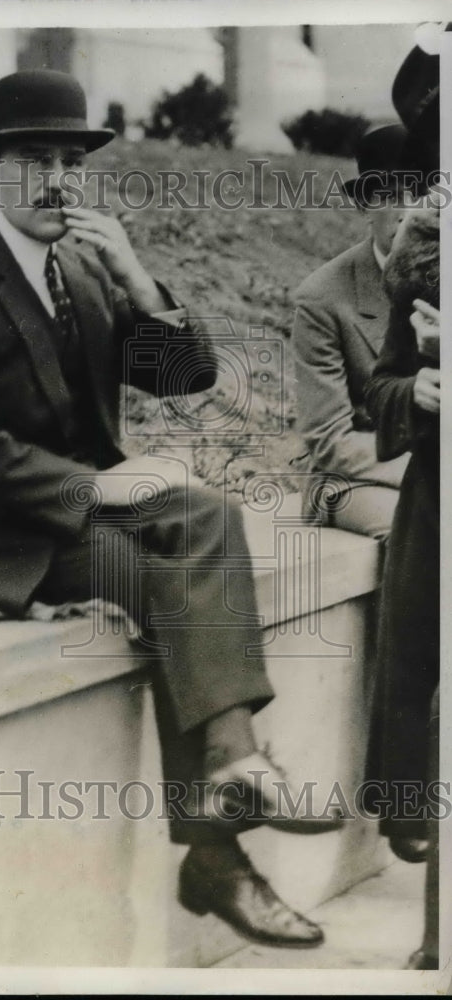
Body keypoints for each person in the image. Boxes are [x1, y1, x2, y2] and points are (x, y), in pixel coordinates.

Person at [0, 69, 340, 950]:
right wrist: (98, 487)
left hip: (68, 520)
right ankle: (220, 854)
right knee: (166, 575)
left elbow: (185, 376)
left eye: (69, 161)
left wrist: (138, 277)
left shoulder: (84, 274)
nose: (56, 180)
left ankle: (231, 766)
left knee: (204, 515)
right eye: (33, 162)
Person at [363, 24, 443, 967]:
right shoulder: (427, 246)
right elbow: (377, 387)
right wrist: (415, 388)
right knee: (436, 706)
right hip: (444, 497)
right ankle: (439, 945)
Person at [291, 123, 413, 541]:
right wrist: (427, 473)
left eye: (421, 193)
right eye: (391, 194)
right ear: (365, 204)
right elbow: (329, 439)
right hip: (355, 480)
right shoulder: (323, 298)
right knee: (418, 532)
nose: (407, 210)